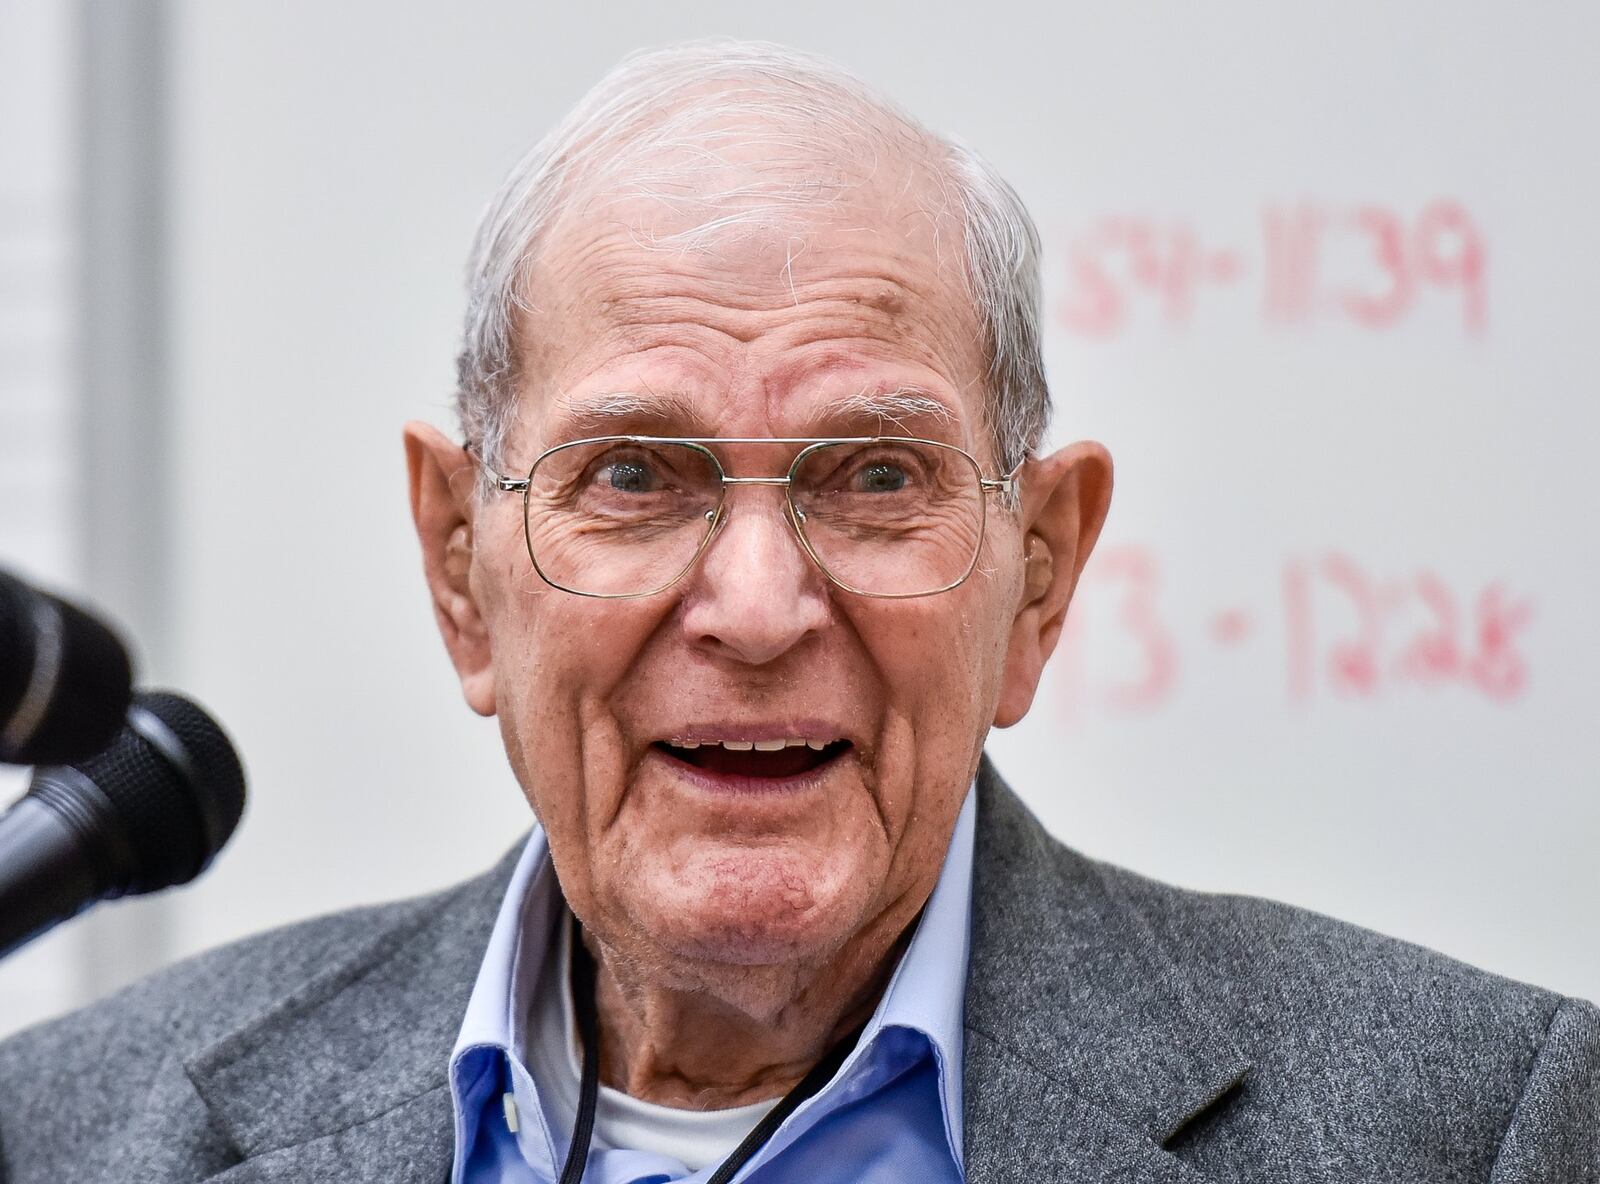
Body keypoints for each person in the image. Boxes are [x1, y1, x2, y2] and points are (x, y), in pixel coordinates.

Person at [1, 39, 1595, 1184]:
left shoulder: (1474, 1129)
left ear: (1039, 573)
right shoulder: (70, 1132)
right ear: (457, 569)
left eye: (876, 477)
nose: (758, 610)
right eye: (632, 472)